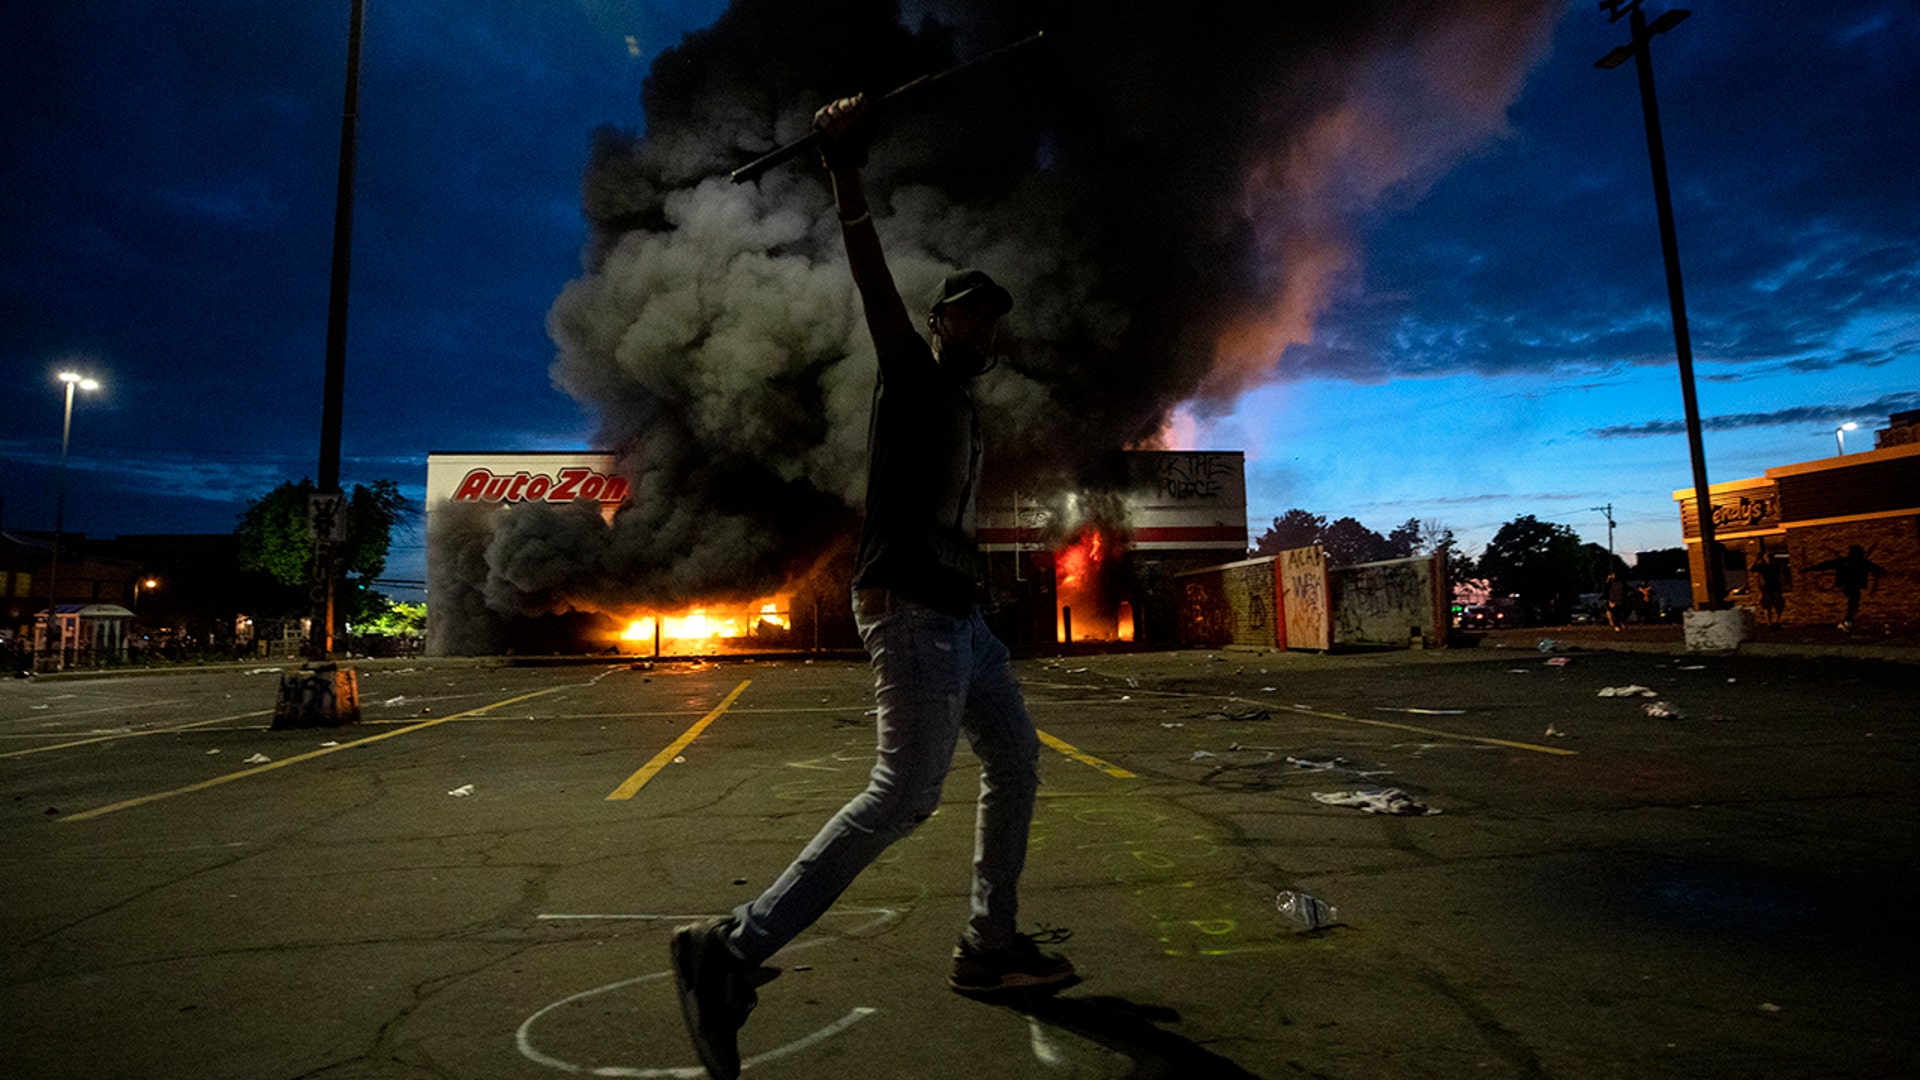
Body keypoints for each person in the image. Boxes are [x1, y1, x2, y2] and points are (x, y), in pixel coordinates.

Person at [669, 93, 1074, 1080]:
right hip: (911, 611)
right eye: (967, 313)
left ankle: (989, 945)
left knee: (1016, 761)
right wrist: (844, 168)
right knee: (903, 795)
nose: (981, 328)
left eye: (991, 319)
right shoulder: (913, 372)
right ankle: (729, 949)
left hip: (961, 623)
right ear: (941, 324)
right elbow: (869, 276)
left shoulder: (969, 411)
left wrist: (981, 597)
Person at [1808, 545, 1887, 631]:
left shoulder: (1849, 562)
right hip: (1850, 585)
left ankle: (1848, 620)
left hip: (1850, 585)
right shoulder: (1858, 562)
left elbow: (1825, 565)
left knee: (1853, 602)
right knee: (1853, 600)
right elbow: (1825, 565)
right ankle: (1847, 620)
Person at [1752, 542, 1786, 628]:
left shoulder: (1775, 566)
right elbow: (1752, 569)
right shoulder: (1763, 566)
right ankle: (1769, 622)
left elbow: (1781, 574)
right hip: (1767, 588)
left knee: (1778, 605)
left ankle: (1777, 621)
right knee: (1767, 606)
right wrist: (1757, 559)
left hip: (1775, 587)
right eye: (1767, 557)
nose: (1768, 558)